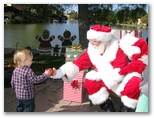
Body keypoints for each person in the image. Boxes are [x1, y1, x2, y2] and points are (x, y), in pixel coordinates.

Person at [51, 24, 148, 112]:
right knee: (89, 80)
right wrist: (60, 72)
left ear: (104, 41)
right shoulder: (92, 50)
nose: (92, 43)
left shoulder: (118, 48)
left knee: (135, 82)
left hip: (121, 78)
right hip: (105, 79)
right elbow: (78, 64)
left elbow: (120, 69)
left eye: (95, 41)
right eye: (90, 40)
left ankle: (125, 109)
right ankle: (108, 108)